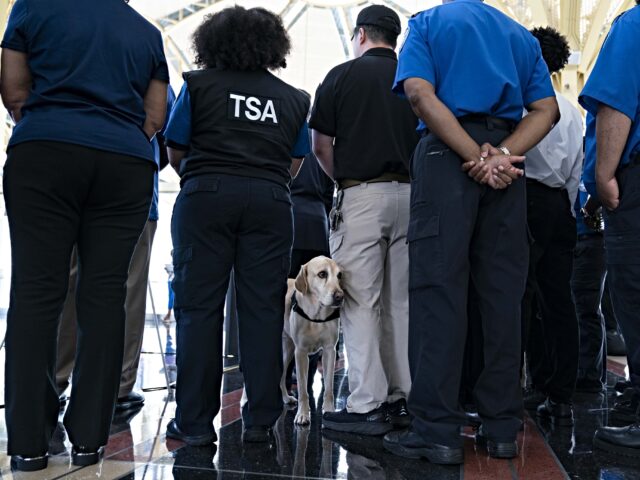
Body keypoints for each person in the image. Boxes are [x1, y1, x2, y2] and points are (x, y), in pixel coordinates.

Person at [384, 0, 559, 465]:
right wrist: (501, 155)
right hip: (507, 169)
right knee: (502, 297)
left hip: (448, 157)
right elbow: (546, 110)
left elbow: (420, 93)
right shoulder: (519, 36)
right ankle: (501, 427)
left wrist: (475, 157)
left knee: (438, 292)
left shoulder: (428, 24)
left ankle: (436, 430)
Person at [0, 0, 168, 471]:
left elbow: (14, 89)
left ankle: (30, 444)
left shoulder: (33, 7)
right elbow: (154, 116)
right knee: (105, 294)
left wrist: (49, 126)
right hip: (124, 163)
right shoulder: (146, 33)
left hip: (45, 149)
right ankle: (91, 439)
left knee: (37, 292)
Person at [163, 6, 310, 446]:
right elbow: (296, 161)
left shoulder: (198, 85)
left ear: (213, 43)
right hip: (269, 202)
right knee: (264, 310)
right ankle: (262, 420)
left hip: (205, 197)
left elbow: (175, 148)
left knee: (198, 311)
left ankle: (194, 426)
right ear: (272, 46)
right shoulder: (292, 98)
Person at [310, 4, 419, 435]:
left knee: (359, 301)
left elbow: (320, 146)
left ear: (360, 35)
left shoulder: (340, 76)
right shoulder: (414, 78)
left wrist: (349, 182)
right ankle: (402, 399)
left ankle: (365, 404)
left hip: (361, 195)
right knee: (401, 303)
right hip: (412, 196)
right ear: (396, 38)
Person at [55, 89, 176, 412]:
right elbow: (166, 131)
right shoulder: (149, 52)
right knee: (128, 288)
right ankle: (118, 386)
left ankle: (55, 379)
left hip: (70, 180)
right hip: (132, 183)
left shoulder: (65, 49)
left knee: (67, 282)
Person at [580, 0, 640, 457]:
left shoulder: (634, 23)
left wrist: (603, 176)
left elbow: (616, 103)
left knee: (634, 292)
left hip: (635, 182)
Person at [520, 26, 582, 426]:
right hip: (561, 204)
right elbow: (576, 170)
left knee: (519, 296)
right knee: (560, 300)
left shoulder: (524, 106)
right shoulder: (571, 110)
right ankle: (561, 392)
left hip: (525, 200)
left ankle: (521, 385)